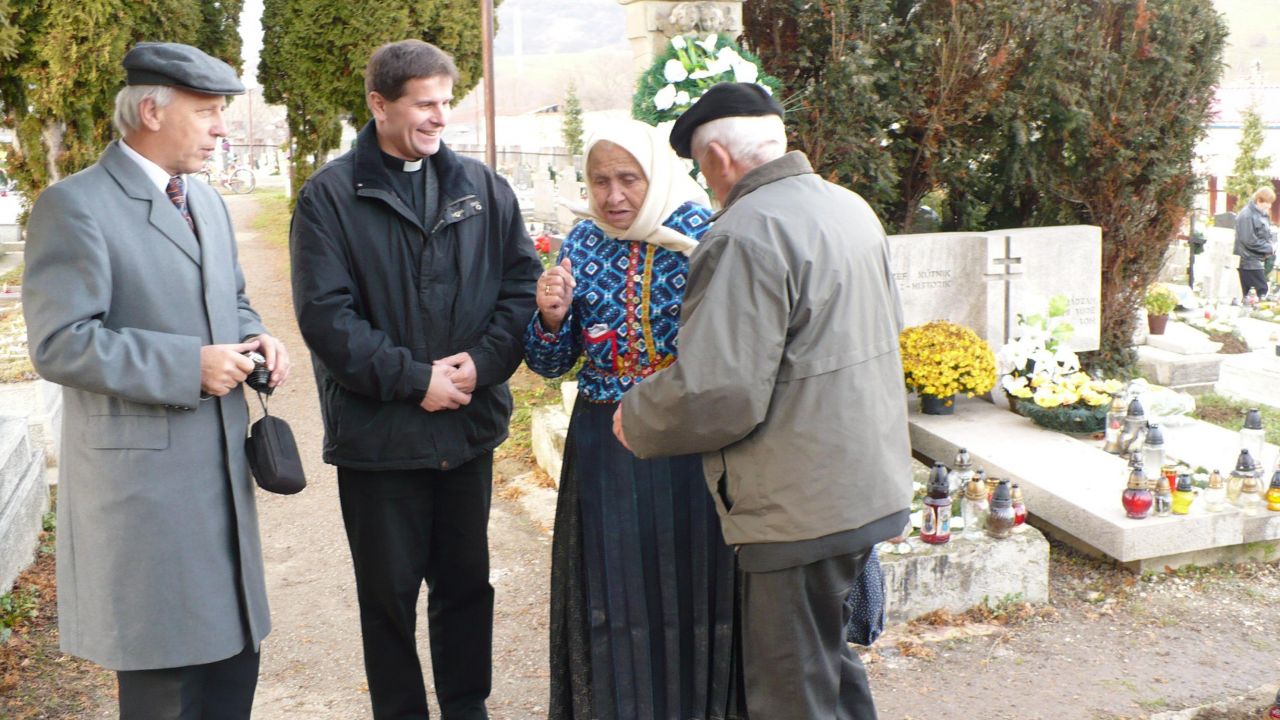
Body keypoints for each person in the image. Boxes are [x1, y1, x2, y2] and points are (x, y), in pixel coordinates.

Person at [612, 83, 912, 720]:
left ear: (718, 158)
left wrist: (636, 416)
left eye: (701, 167)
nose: (706, 182)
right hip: (864, 482)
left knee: (790, 691)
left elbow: (720, 390)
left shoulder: (745, 233)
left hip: (797, 504)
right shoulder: (849, 208)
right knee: (828, 668)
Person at [22, 42, 290, 718]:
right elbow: (59, 342)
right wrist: (186, 366)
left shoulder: (207, 202)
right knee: (167, 686)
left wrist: (256, 335)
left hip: (220, 483)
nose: (221, 128)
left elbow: (229, 300)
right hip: (145, 500)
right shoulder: (75, 206)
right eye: (206, 113)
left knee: (233, 671)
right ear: (151, 111)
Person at [290, 39, 541, 720]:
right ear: (379, 104)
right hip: (381, 436)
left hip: (466, 426)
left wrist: (483, 362)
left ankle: (467, 707)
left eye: (445, 102)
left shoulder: (484, 190)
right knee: (388, 599)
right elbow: (326, 317)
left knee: (466, 585)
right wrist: (413, 379)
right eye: (424, 104)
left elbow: (520, 287)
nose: (439, 117)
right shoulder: (330, 198)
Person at [524, 120, 742, 720]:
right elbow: (550, 363)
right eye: (600, 182)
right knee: (613, 584)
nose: (613, 196)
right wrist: (550, 318)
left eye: (629, 179)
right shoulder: (581, 243)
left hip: (686, 441)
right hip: (605, 445)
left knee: (690, 580)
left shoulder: (704, 238)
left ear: (658, 175)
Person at [1234, 185, 1276, 299]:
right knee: (1262, 290)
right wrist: (1269, 248)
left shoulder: (1261, 213)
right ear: (1259, 200)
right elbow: (1249, 240)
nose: (1269, 206)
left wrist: (1271, 245)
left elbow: (1266, 233)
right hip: (1247, 260)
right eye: (1267, 203)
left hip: (1256, 259)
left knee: (1249, 293)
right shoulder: (1246, 215)